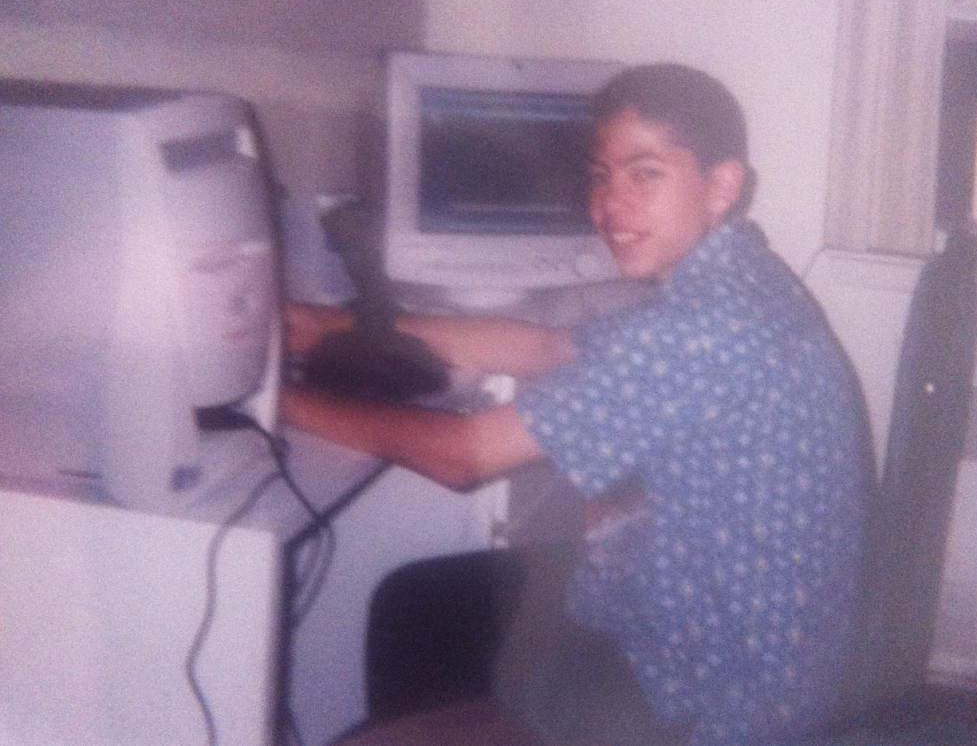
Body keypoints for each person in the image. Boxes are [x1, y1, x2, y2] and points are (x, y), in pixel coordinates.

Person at [284, 64, 872, 745]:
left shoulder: (704, 327)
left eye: (645, 174)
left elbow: (460, 456)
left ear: (721, 185)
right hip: (752, 646)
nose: (611, 206)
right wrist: (331, 327)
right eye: (601, 175)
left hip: (713, 695)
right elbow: (548, 350)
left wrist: (279, 400)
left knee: (416, 626)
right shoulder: (738, 278)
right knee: (418, 606)